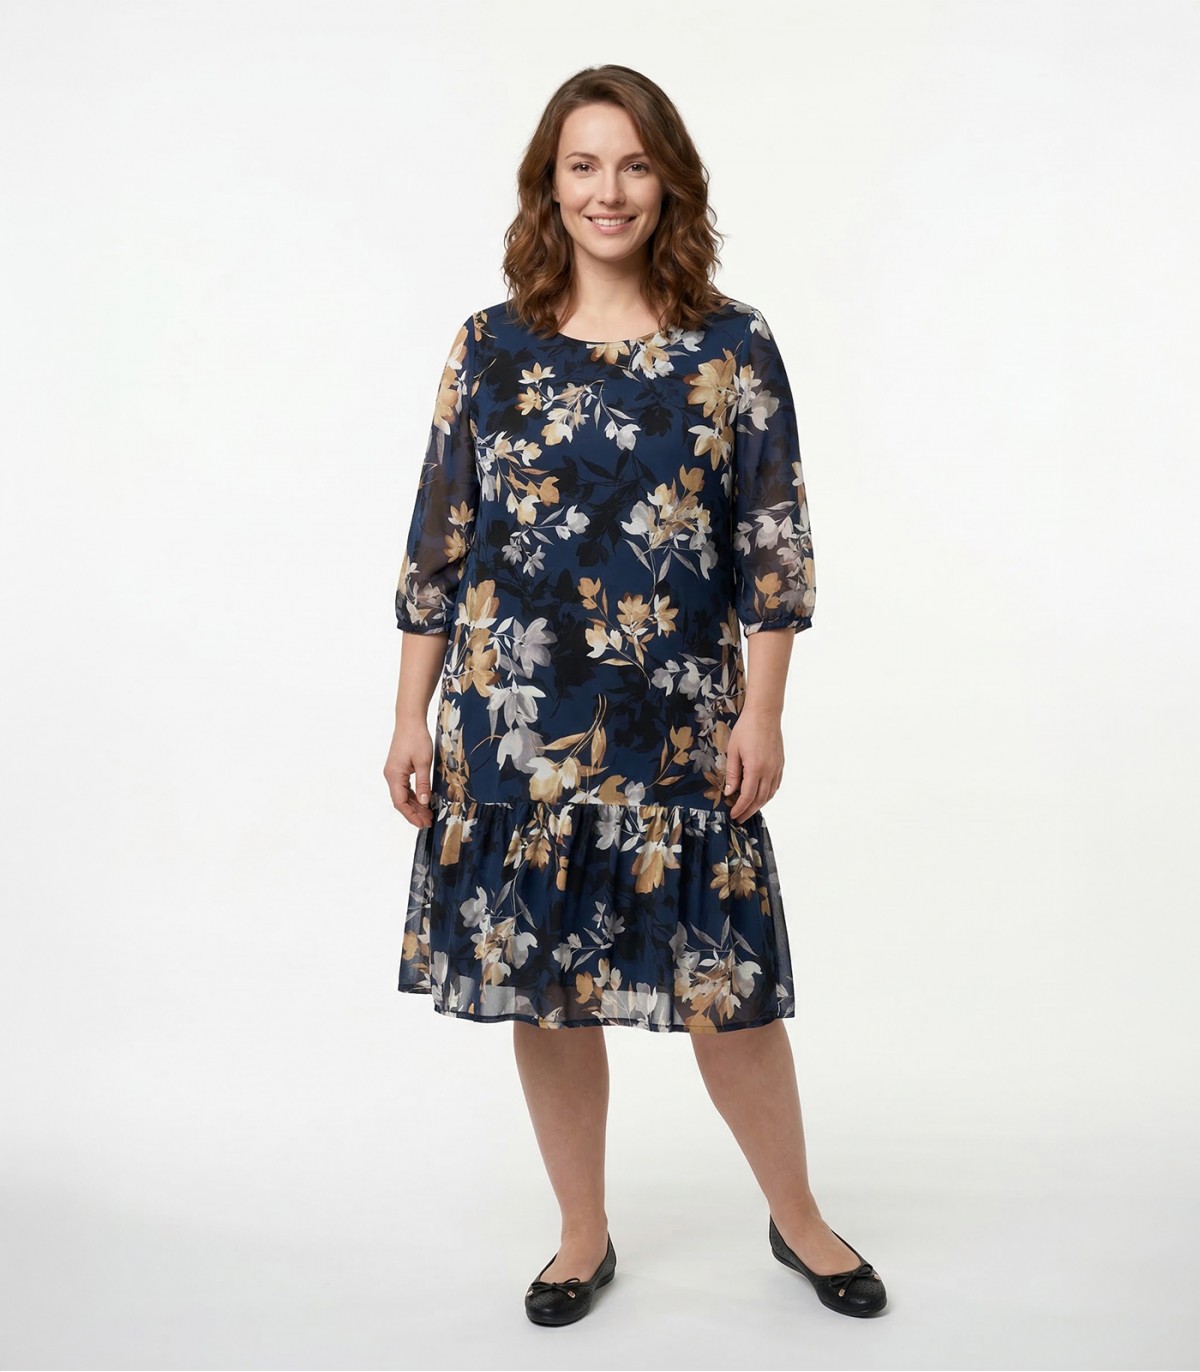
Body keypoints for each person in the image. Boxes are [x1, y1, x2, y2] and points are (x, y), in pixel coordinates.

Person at [383, 64, 887, 1326]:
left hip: (677, 728)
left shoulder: (732, 345)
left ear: (669, 181)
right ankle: (581, 1234)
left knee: (729, 993)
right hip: (513, 727)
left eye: (633, 164)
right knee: (544, 987)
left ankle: (799, 1217)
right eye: (583, 165)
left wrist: (764, 711)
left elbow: (774, 543)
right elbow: (440, 540)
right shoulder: (490, 346)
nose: (609, 190)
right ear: (549, 186)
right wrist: (408, 716)